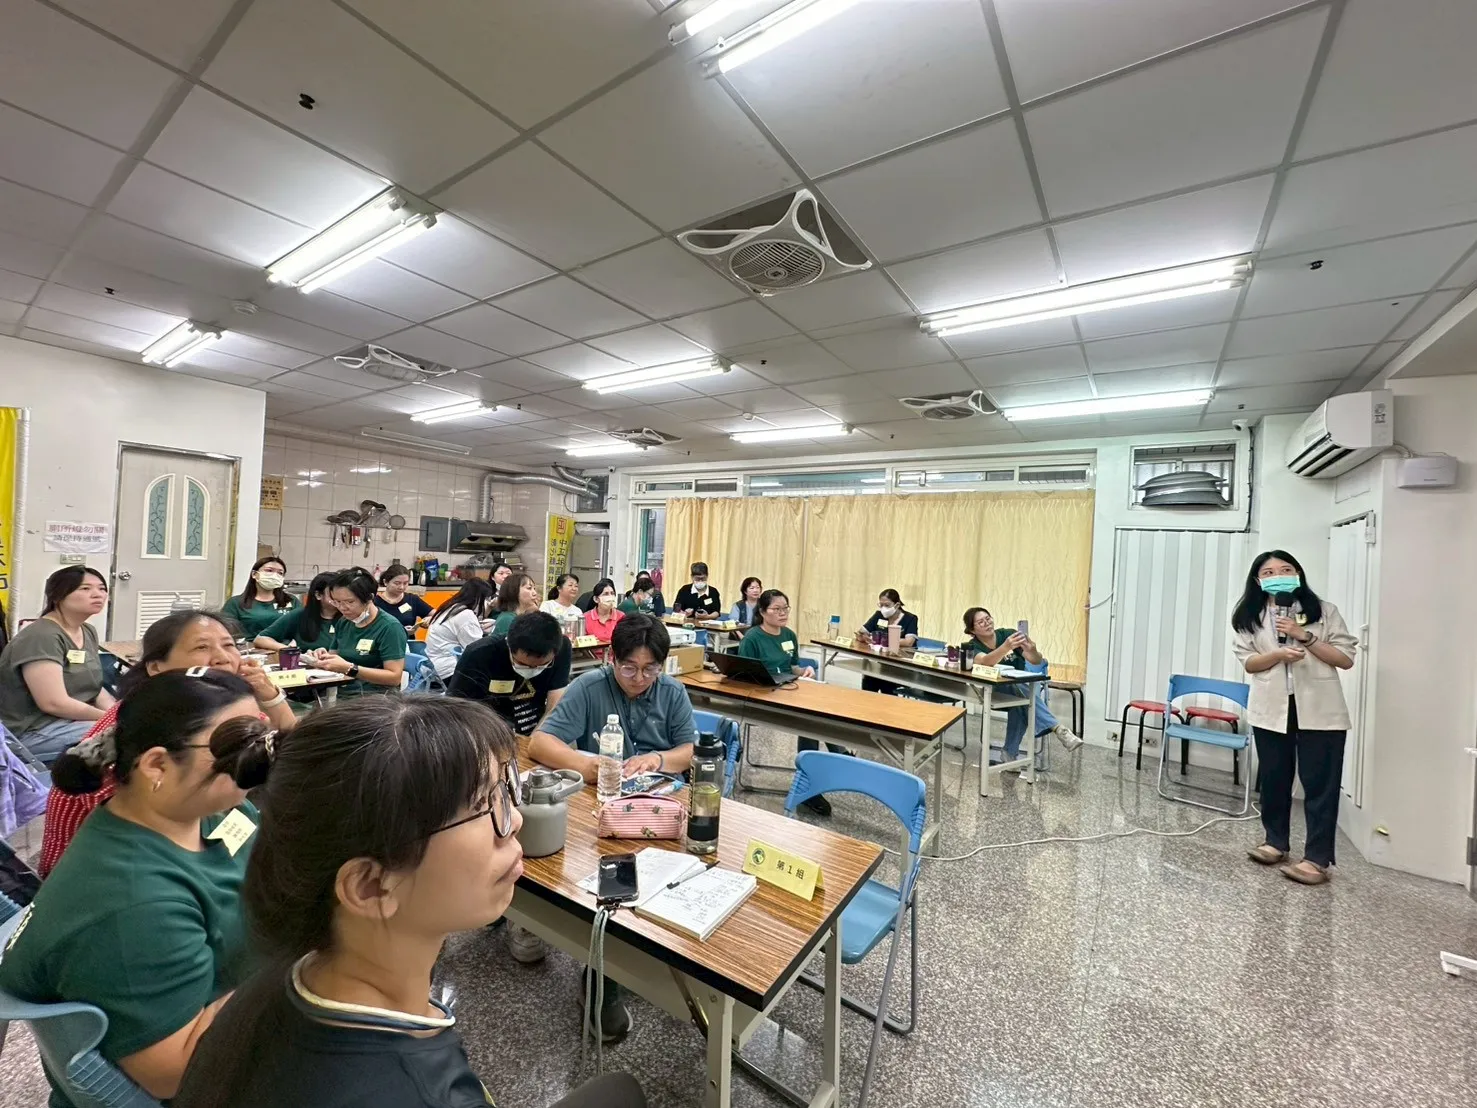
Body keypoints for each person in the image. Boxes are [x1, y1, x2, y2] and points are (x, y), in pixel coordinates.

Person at [171, 696, 647, 1108]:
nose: (516, 821)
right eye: (485, 805)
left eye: (507, 791)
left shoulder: (291, 978)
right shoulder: (417, 1091)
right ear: (371, 887)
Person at [0, 671, 272, 1103]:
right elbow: (174, 1073)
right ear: (157, 765)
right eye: (238, 746)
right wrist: (296, 964)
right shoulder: (133, 906)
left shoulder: (207, 811)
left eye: (262, 739)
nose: (259, 762)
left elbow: (268, 862)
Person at [528, 614, 696, 1040]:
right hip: (601, 809)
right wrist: (586, 765)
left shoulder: (672, 692)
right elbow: (540, 742)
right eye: (629, 668)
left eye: (650, 669)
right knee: (607, 886)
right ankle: (602, 974)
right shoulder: (590, 687)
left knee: (667, 882)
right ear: (610, 658)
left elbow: (689, 750)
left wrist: (658, 759)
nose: (639, 679)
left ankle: (650, 960)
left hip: (659, 811)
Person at [38, 609, 297, 878]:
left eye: (229, 645)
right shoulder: (142, 721)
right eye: (201, 647)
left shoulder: (215, 709)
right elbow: (135, 830)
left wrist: (270, 695)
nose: (222, 657)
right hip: (107, 867)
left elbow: (288, 746)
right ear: (156, 667)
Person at [1233, 550, 1357, 886]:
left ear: (1298, 574)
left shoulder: (1323, 611)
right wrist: (1276, 654)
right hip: (1272, 707)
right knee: (1274, 779)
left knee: (1320, 784)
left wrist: (1305, 636)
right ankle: (1275, 842)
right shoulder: (1250, 616)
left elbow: (1345, 659)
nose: (1278, 576)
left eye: (1285, 569)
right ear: (1258, 580)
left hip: (1320, 708)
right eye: (1269, 572)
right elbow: (1249, 663)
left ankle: (1317, 859)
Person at [0, 566, 114, 763]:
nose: (98, 594)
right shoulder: (42, 636)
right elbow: (53, 702)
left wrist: (116, 713)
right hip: (31, 731)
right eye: (85, 589)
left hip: (71, 721)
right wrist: (108, 720)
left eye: (102, 588)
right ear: (58, 595)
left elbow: (94, 688)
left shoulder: (87, 631)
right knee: (124, 736)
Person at [737, 590, 835, 816]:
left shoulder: (789, 635)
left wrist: (805, 671)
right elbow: (742, 675)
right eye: (776, 609)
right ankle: (815, 780)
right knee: (810, 720)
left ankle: (813, 778)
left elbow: (792, 667)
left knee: (817, 713)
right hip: (762, 697)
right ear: (763, 612)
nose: (783, 613)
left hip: (788, 690)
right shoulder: (752, 638)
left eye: (785, 609)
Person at [963, 607, 1081, 763]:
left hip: (1019, 689)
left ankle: (1009, 754)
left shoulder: (1007, 634)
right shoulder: (973, 645)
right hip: (993, 691)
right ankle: (1058, 728)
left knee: (1020, 702)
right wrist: (1006, 647)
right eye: (981, 622)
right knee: (1024, 695)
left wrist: (1033, 650)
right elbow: (985, 661)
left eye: (988, 618)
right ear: (972, 630)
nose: (987, 623)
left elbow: (1035, 661)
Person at [449, 612, 572, 736]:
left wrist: (535, 739)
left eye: (542, 665)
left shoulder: (561, 648)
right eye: (522, 664)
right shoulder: (479, 654)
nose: (532, 670)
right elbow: (458, 712)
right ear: (508, 644)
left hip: (534, 724)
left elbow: (554, 704)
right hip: (487, 729)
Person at [313, 569, 407, 695]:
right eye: (337, 602)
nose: (342, 608)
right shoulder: (344, 622)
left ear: (369, 598)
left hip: (375, 699)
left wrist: (350, 668)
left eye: (350, 602)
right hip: (342, 693)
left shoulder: (389, 627)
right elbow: (334, 658)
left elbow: (394, 678)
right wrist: (322, 659)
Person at [254, 571, 341, 654]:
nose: (340, 597)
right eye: (333, 593)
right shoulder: (300, 615)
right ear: (318, 595)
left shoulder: (347, 618)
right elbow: (261, 639)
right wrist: (291, 651)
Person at [425, 579, 496, 679]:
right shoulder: (465, 614)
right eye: (487, 599)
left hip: (434, 668)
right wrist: (493, 632)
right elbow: (478, 650)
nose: (488, 603)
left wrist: (480, 629)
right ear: (479, 598)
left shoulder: (451, 607)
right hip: (448, 671)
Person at [856, 588, 919, 696]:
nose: (883, 608)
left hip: (899, 665)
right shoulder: (879, 615)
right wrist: (863, 637)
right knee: (869, 678)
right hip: (879, 662)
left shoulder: (910, 618)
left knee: (885, 681)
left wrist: (883, 640)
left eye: (887, 605)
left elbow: (909, 642)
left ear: (897, 605)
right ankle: (868, 703)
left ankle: (887, 704)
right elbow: (861, 633)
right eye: (881, 605)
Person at [220, 557, 298, 640]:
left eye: (280, 573)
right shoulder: (235, 603)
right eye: (269, 570)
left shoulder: (291, 601)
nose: (275, 575)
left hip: (286, 646)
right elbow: (224, 632)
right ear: (254, 574)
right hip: (251, 646)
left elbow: (302, 628)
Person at [377, 565, 432, 630]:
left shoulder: (412, 599)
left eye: (405, 583)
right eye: (397, 583)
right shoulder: (374, 602)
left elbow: (437, 615)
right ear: (385, 582)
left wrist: (429, 619)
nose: (401, 587)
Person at [491, 572, 542, 638]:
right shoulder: (508, 619)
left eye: (534, 589)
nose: (535, 593)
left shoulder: (518, 617)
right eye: (529, 588)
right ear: (514, 591)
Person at [583, 578, 624, 644]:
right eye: (606, 594)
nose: (610, 597)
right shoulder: (585, 617)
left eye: (612, 593)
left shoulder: (621, 616)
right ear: (596, 599)